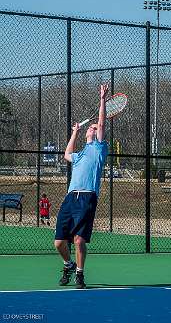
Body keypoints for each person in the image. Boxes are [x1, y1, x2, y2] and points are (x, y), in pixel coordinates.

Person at [54, 84, 109, 289]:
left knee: (78, 241)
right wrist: (75, 132)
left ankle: (80, 274)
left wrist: (102, 99)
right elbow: (67, 155)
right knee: (59, 243)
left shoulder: (99, 149)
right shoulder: (81, 154)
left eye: (94, 128)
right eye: (91, 127)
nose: (93, 128)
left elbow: (102, 124)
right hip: (70, 198)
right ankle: (68, 264)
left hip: (87, 198)